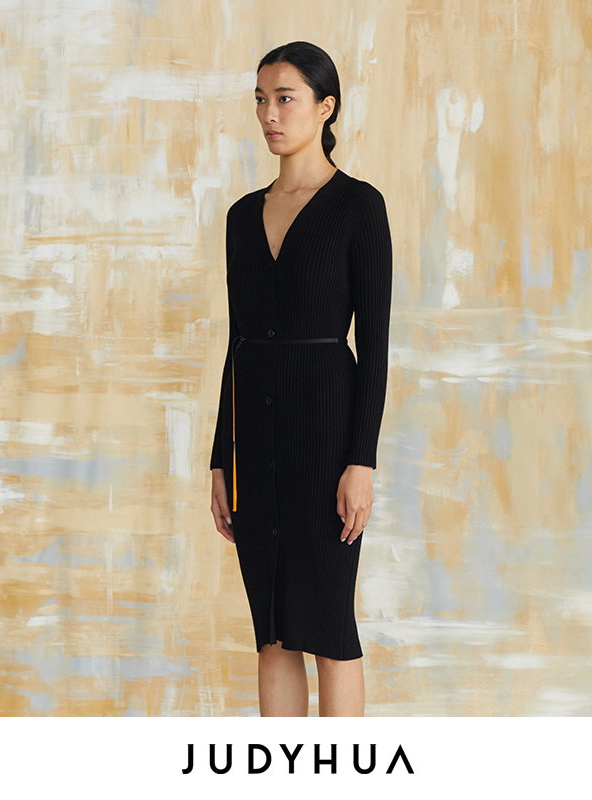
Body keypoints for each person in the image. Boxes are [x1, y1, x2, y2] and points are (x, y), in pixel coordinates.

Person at [209, 41, 392, 717]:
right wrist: (220, 460)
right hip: (255, 445)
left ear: (325, 107)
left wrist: (361, 462)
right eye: (261, 99)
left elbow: (375, 348)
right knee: (273, 631)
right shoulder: (241, 216)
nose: (269, 114)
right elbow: (237, 345)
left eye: (285, 99)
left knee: (329, 629)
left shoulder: (359, 207)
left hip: (326, 439)